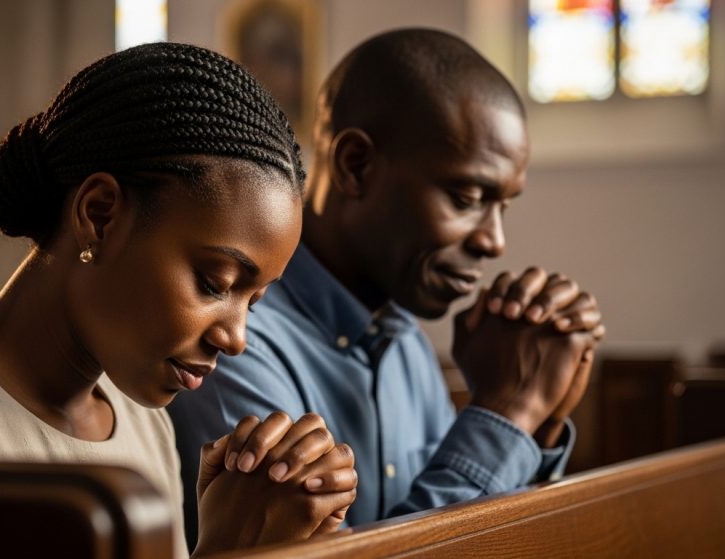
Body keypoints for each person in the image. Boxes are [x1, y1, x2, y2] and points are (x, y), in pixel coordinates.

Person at [0, 42, 357, 557]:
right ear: (100, 215)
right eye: (214, 282)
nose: (235, 339)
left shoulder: (138, 419)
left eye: (253, 301)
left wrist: (283, 539)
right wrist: (226, 553)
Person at [168, 28, 605, 542]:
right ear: (356, 165)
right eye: (466, 198)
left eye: (502, 206)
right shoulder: (232, 342)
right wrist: (508, 411)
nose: (494, 242)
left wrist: (539, 421)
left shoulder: (405, 343)